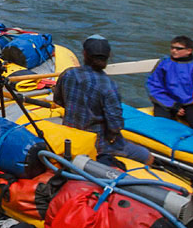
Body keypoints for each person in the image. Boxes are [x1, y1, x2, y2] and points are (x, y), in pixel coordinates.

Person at [53, 35, 152, 166]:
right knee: (147, 156)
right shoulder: (108, 86)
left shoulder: (68, 74)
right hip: (98, 144)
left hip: (70, 136)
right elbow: (115, 126)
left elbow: (58, 101)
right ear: (108, 56)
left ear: (84, 54)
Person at [145, 35, 193, 132]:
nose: (174, 51)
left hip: (189, 102)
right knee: (163, 124)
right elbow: (154, 87)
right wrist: (173, 105)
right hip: (165, 101)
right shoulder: (163, 64)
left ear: (189, 51)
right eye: (172, 48)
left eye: (178, 49)